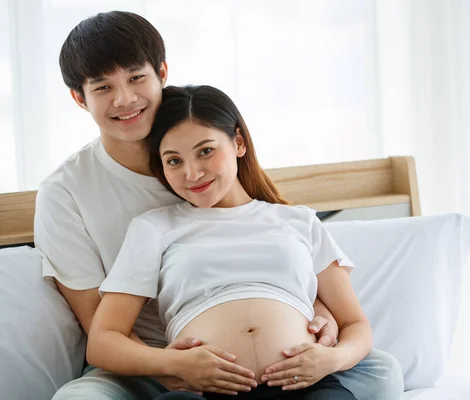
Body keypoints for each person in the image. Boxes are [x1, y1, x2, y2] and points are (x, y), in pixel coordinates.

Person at [34, 10, 404, 400]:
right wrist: (174, 366)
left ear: (161, 72)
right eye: (103, 87)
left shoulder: (224, 168)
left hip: (284, 365)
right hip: (145, 362)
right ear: (80, 98)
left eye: (136, 77)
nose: (125, 99)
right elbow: (102, 329)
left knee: (382, 370)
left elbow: (274, 257)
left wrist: (319, 320)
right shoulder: (70, 195)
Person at [87, 84, 370, 400]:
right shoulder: (153, 227)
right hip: (203, 394)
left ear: (238, 142)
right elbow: (103, 341)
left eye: (205, 151)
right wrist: (172, 363)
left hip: (304, 387)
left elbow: (355, 324)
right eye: (174, 161)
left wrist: (333, 359)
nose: (192, 173)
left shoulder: (298, 221)